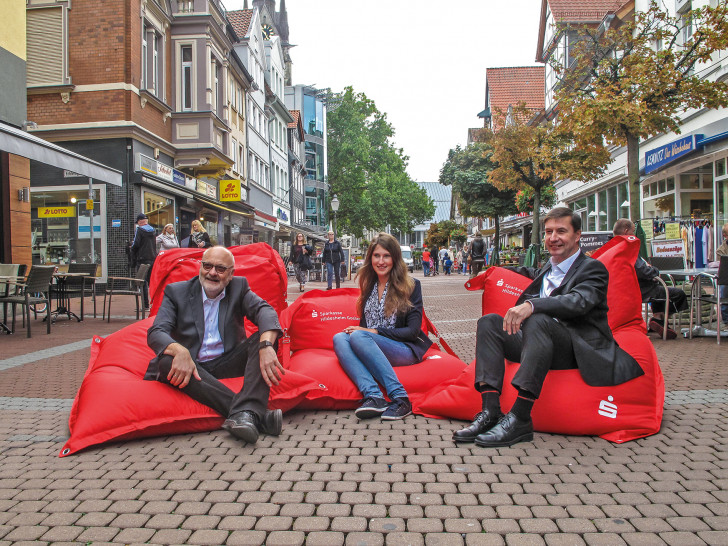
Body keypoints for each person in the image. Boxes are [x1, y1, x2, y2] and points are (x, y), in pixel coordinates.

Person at [453, 207, 643, 448]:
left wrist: (532, 305)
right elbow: (526, 273)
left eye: (561, 231)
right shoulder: (548, 267)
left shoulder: (593, 269)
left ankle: (520, 418)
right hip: (538, 345)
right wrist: (492, 273)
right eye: (549, 231)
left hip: (575, 347)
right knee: (489, 322)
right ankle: (490, 411)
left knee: (539, 318)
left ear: (577, 236)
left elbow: (578, 301)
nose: (553, 237)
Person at [146, 246, 285, 444]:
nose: (212, 273)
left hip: (227, 362)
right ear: (200, 267)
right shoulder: (176, 292)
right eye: (207, 266)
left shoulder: (239, 287)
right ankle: (252, 415)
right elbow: (156, 332)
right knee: (167, 361)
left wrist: (266, 346)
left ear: (231, 274)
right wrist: (180, 350)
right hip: (192, 366)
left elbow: (265, 311)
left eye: (220, 269)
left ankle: (247, 414)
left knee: (263, 340)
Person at [333, 232, 433, 421]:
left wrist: (374, 332)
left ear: (395, 259)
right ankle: (374, 396)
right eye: (376, 256)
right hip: (373, 345)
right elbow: (365, 327)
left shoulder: (411, 286)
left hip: (404, 348)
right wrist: (364, 332)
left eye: (386, 256)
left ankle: (400, 398)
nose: (381, 261)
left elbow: (412, 331)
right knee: (340, 338)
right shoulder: (369, 286)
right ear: (370, 258)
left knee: (359, 336)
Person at [613, 219, 688, 339]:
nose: (634, 235)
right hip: (642, 290)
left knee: (660, 292)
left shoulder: (612, 247)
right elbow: (642, 271)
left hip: (625, 289)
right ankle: (659, 319)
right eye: (633, 231)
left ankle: (658, 318)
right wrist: (654, 270)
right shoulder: (627, 247)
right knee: (678, 294)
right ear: (626, 231)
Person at [130, 213, 157, 309]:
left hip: (142, 259)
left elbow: (136, 244)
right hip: (153, 258)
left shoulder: (140, 230)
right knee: (152, 282)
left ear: (140, 221)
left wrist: (132, 249)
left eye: (138, 222)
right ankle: (155, 303)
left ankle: (145, 305)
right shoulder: (153, 230)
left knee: (142, 282)